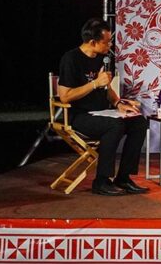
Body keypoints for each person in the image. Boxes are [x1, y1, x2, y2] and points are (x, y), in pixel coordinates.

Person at [57, 18, 149, 196]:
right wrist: (94, 84)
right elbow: (65, 96)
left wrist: (119, 103)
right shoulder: (71, 59)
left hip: (104, 112)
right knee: (114, 125)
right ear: (93, 42)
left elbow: (107, 89)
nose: (110, 45)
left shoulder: (103, 59)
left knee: (139, 122)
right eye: (106, 42)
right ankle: (101, 181)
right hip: (80, 116)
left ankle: (123, 177)